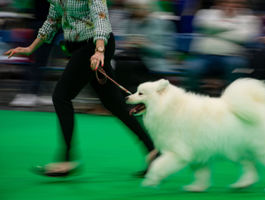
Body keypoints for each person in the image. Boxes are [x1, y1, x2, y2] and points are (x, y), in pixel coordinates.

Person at [5, 0, 157, 177]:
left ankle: (66, 159)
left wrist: (99, 50)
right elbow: (52, 20)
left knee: (61, 96)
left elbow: (100, 18)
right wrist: (31, 48)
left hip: (95, 45)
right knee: (114, 104)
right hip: (78, 48)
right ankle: (153, 151)